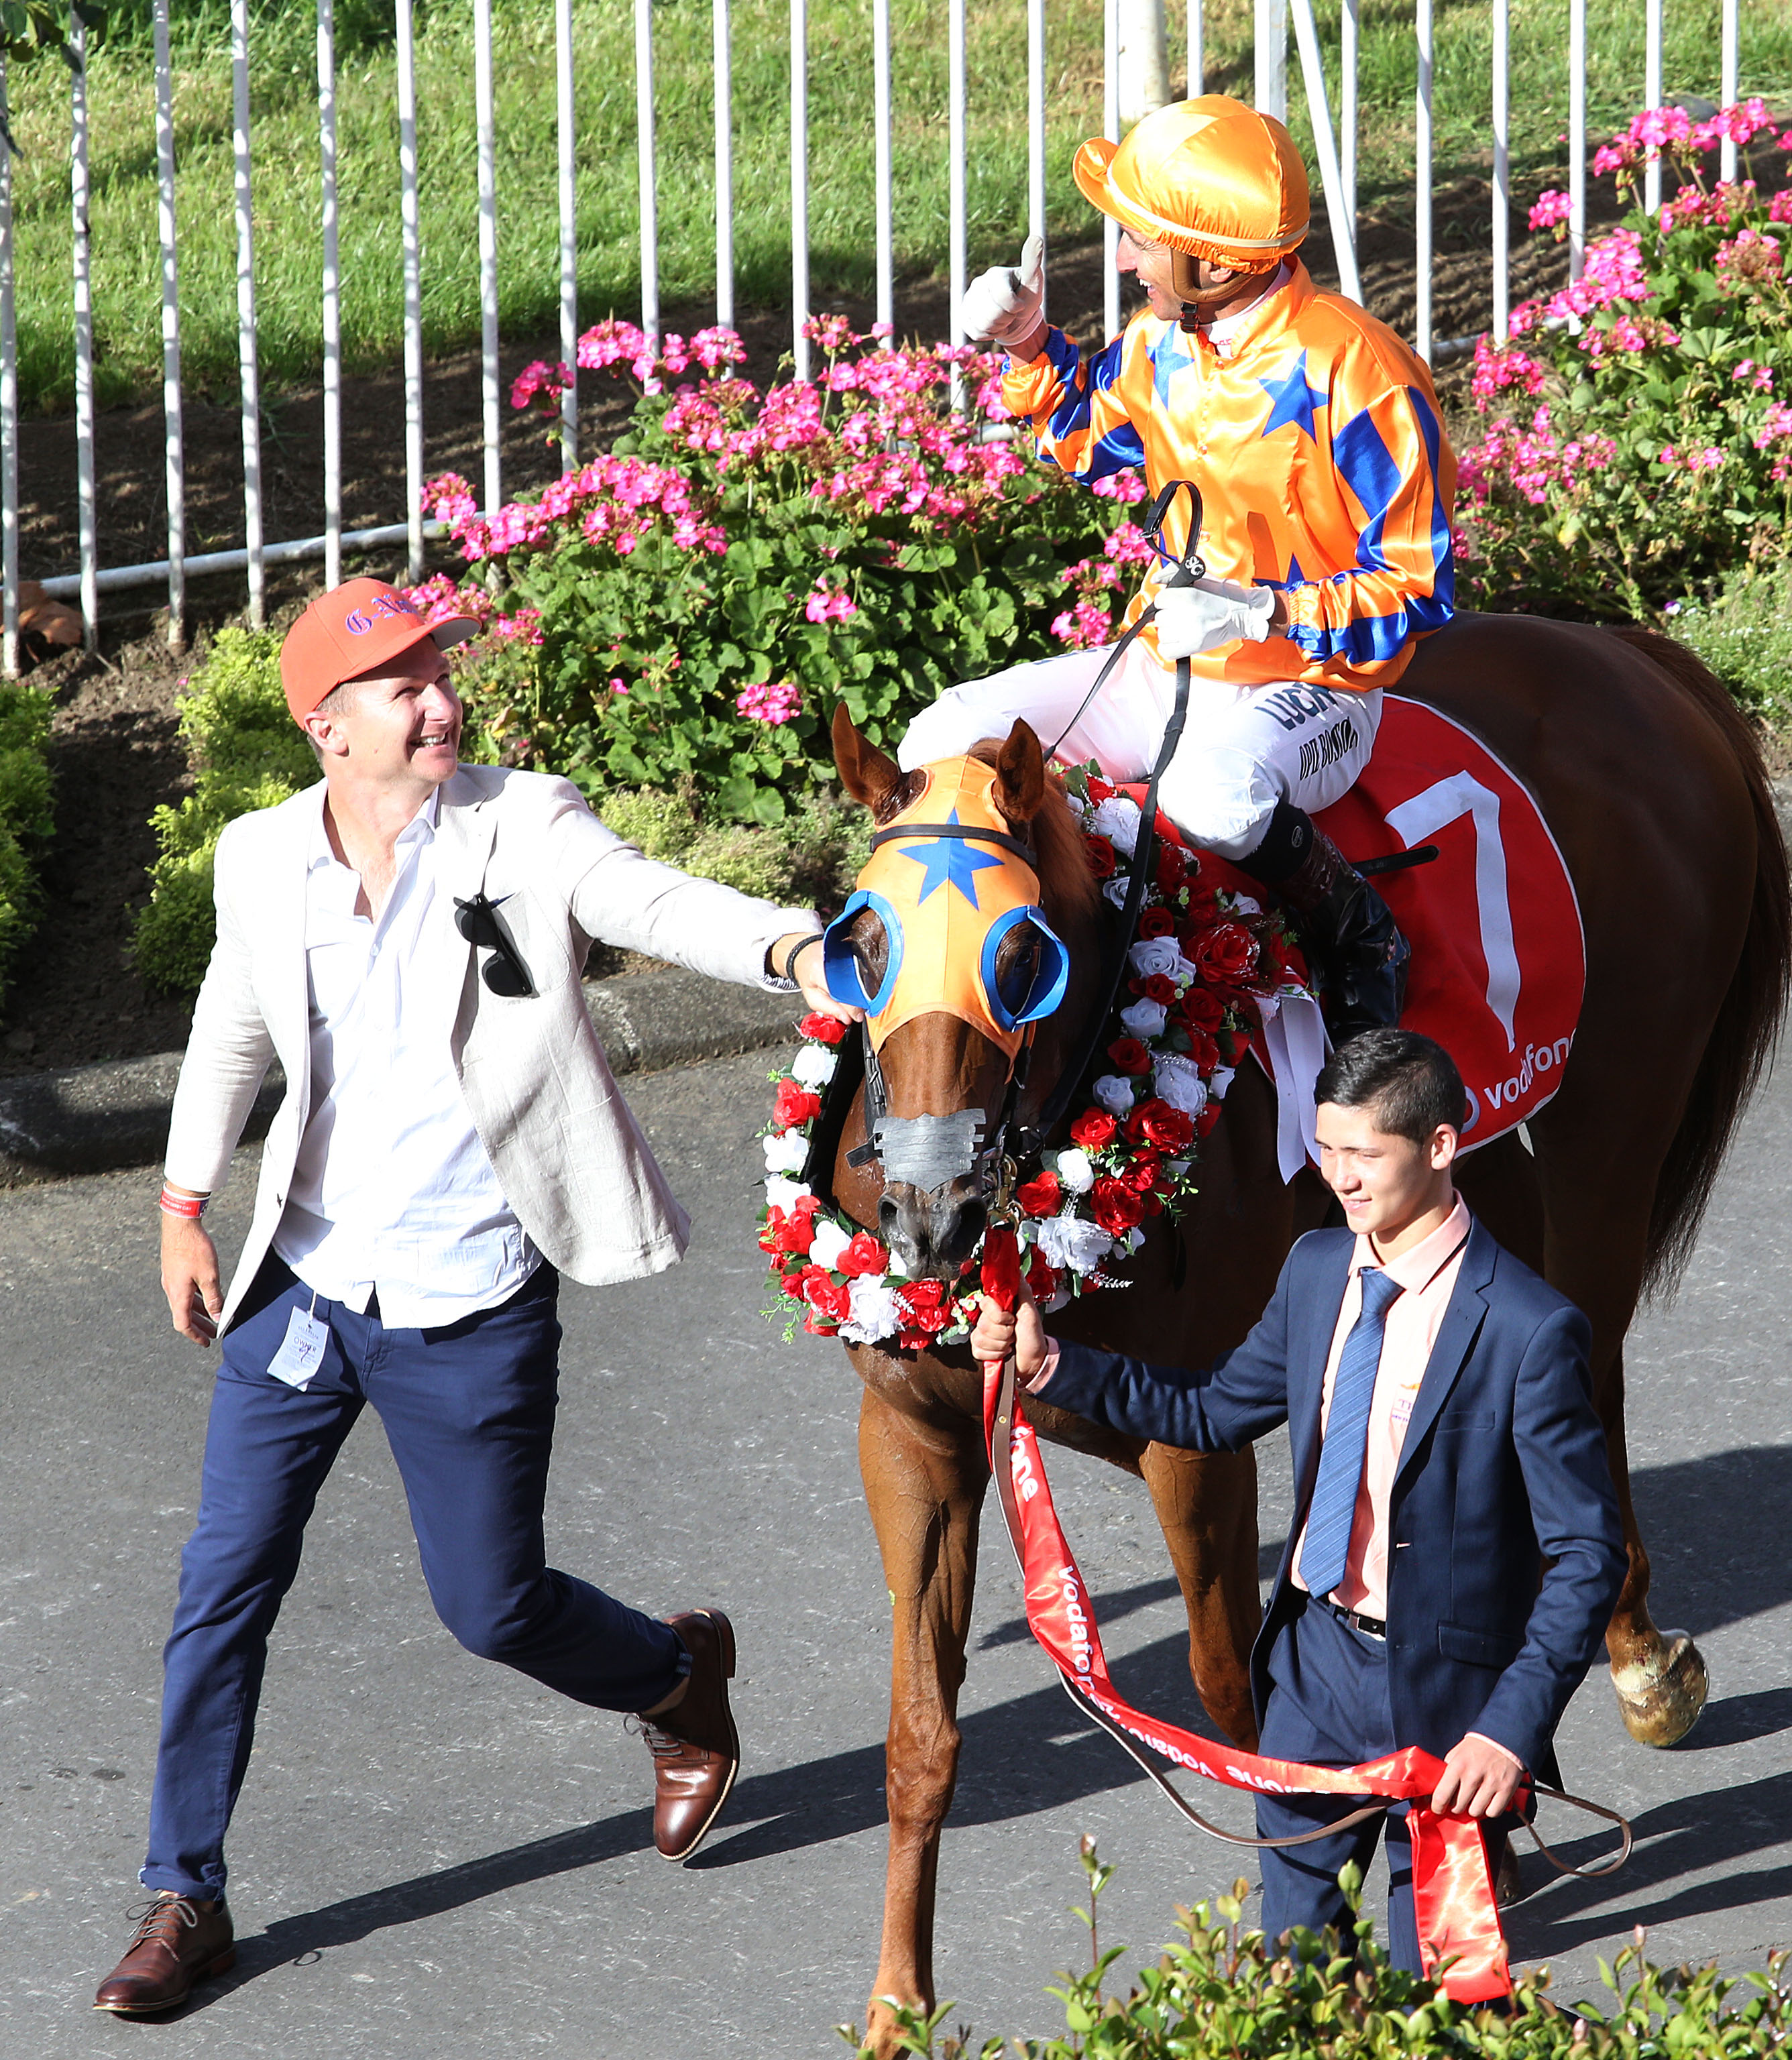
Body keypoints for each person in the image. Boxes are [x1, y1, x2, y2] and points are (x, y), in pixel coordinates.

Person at [93, 577, 856, 2016]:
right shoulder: (262, 861)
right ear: (327, 726)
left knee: (491, 1606)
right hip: (305, 1287)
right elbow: (232, 1029)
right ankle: (183, 1891)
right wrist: (184, 1204)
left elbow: (643, 896)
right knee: (220, 1587)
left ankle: (672, 1678)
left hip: (468, 1290)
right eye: (401, 683)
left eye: (442, 666)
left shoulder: (522, 823)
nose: (440, 695)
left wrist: (792, 947)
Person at [970, 1029, 1624, 1969]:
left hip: (1445, 1709)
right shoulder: (1318, 1267)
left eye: (1366, 1154)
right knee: (1293, 1975)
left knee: (1430, 1995)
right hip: (1312, 1672)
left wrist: (1510, 1732)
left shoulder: (1530, 1330)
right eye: (1327, 1149)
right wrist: (1053, 1365)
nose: (1341, 1176)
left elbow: (1588, 1557)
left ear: (1441, 1147)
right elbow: (1212, 1410)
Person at [905, 95, 1459, 1043]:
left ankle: (1363, 937)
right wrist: (1028, 344)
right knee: (943, 733)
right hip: (1170, 663)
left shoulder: (1358, 370)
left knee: (1210, 793)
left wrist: (1265, 618)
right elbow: (1086, 439)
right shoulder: (1163, 344)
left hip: (1318, 686)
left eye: (1141, 240)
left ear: (1213, 261)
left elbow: (1419, 594)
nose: (1122, 259)